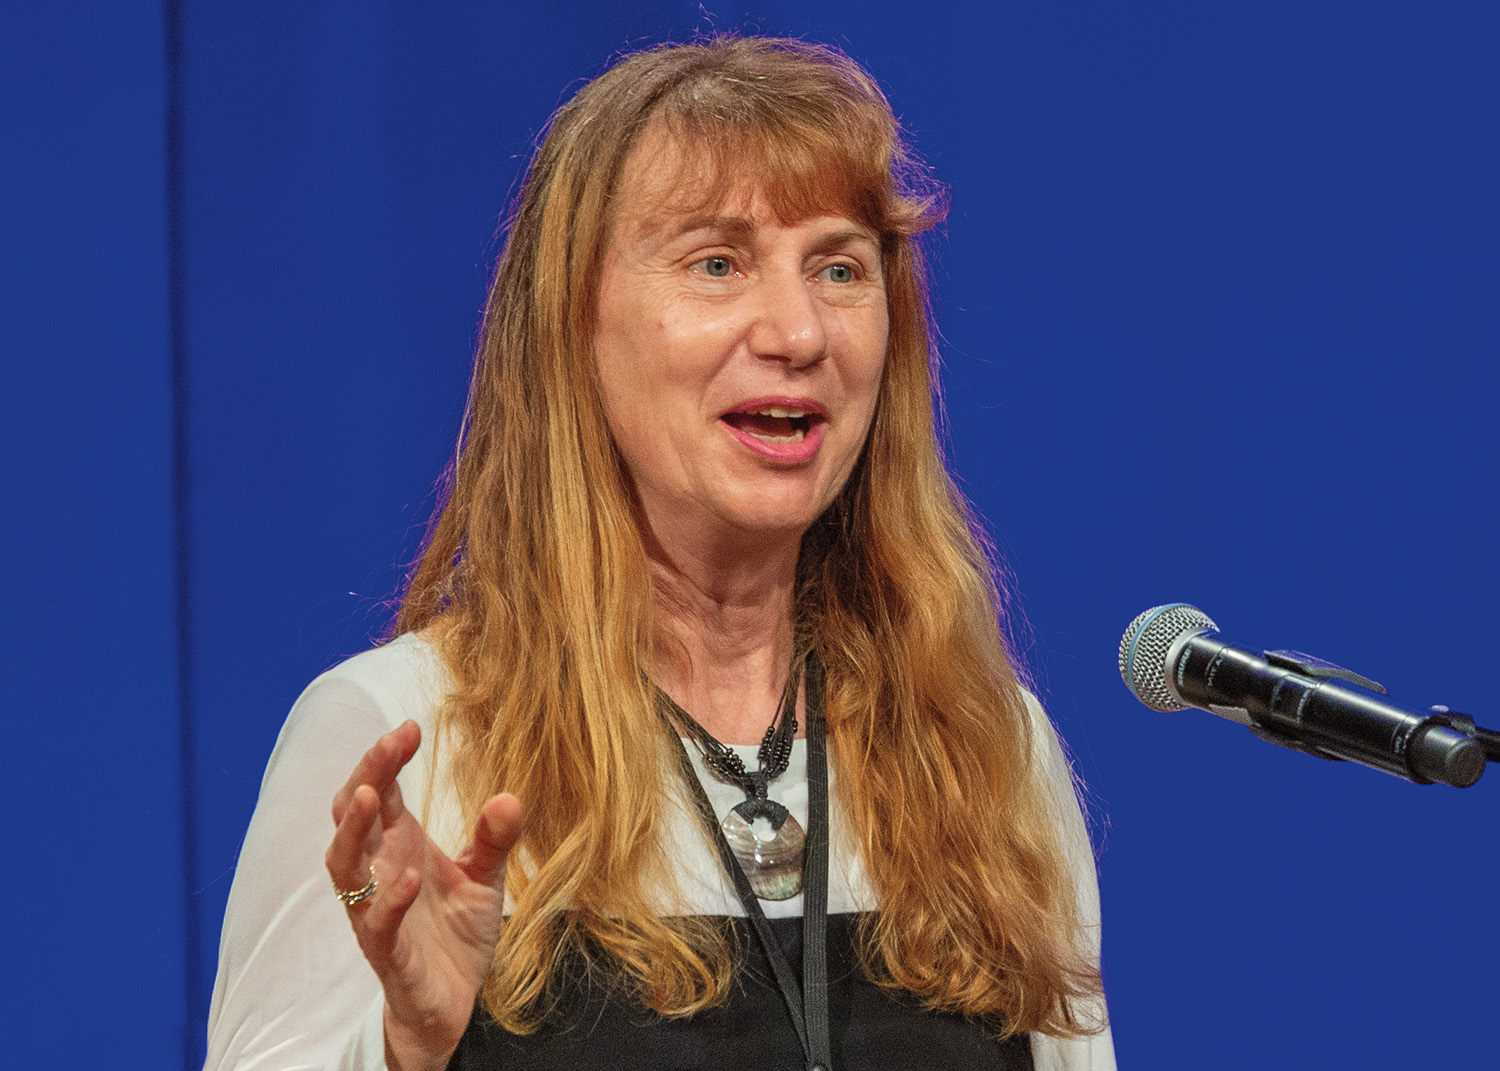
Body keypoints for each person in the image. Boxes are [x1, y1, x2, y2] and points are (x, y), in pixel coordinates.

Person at [205, 35, 1115, 1071]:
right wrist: (410, 1049)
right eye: (717, 262)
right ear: (572, 327)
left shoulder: (982, 750)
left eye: (839, 267)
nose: (800, 330)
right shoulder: (407, 744)